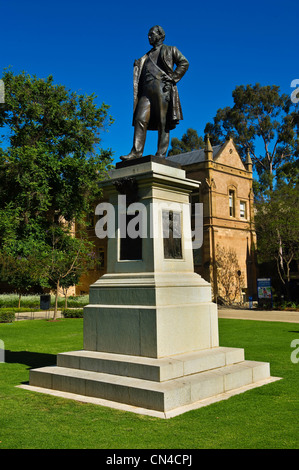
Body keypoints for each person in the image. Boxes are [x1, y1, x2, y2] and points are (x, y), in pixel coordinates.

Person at [121, 25, 189, 160]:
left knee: (163, 121)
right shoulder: (145, 56)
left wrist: (174, 77)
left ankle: (161, 154)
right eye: (148, 34)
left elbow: (184, 63)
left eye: (151, 34)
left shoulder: (170, 50)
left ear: (160, 36)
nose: (149, 37)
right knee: (140, 118)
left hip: (162, 88)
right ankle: (136, 152)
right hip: (146, 91)